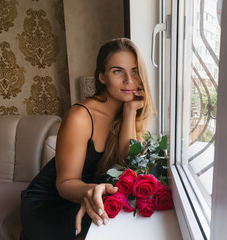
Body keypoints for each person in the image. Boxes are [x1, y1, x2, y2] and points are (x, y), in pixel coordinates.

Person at [20, 38, 156, 240]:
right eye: (117, 71)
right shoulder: (80, 116)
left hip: (95, 195)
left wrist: (129, 112)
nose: (129, 80)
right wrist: (95, 191)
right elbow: (65, 183)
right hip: (51, 201)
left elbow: (126, 163)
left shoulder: (128, 111)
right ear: (102, 77)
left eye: (135, 71)